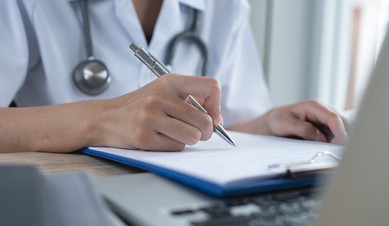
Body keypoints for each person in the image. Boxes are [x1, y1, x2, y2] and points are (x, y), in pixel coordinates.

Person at [0, 0, 348, 153]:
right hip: (71, 195)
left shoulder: (225, 6)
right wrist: (102, 120)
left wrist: (268, 124)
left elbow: (226, 126)